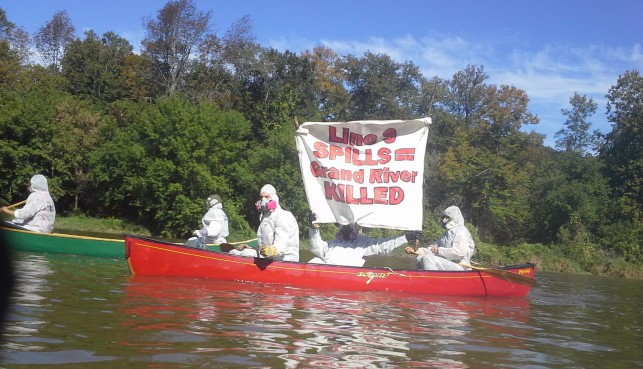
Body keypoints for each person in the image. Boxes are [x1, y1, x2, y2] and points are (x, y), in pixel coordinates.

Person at [308, 211, 422, 267]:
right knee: (314, 261)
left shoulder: (363, 243)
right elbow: (315, 247)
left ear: (355, 228)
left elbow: (383, 246)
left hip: (349, 277)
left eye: (348, 226)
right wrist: (313, 228)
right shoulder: (332, 244)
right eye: (343, 226)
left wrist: (406, 237)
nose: (345, 229)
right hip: (327, 274)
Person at [230, 184, 300, 261]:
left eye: (266, 197)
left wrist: (272, 250)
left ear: (274, 197)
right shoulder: (265, 217)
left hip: (286, 259)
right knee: (234, 252)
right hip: (271, 257)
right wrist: (251, 248)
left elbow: (282, 244)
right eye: (261, 197)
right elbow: (266, 244)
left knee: (246, 255)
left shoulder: (283, 216)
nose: (263, 200)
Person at [405, 205, 475, 271]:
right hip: (448, 263)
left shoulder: (461, 231)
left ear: (455, 218)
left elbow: (459, 252)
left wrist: (439, 251)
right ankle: (422, 279)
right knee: (420, 257)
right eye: (445, 217)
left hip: (461, 266)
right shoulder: (446, 233)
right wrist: (416, 251)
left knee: (428, 259)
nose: (445, 220)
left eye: (448, 217)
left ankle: (433, 281)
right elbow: (433, 249)